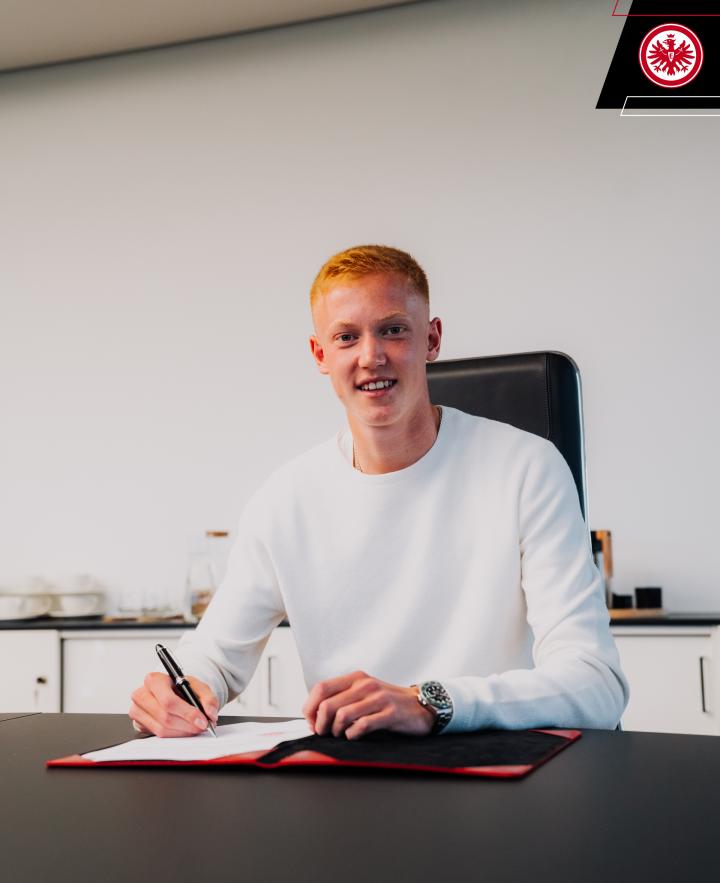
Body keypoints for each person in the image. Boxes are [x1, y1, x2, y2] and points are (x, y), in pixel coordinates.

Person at [129, 245, 628, 739]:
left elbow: (596, 684)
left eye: (393, 330)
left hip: (495, 767)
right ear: (320, 355)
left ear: (432, 339)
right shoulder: (284, 500)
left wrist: (429, 702)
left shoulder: (527, 468)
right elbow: (214, 656)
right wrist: (182, 688)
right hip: (351, 774)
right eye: (347, 337)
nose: (371, 357)